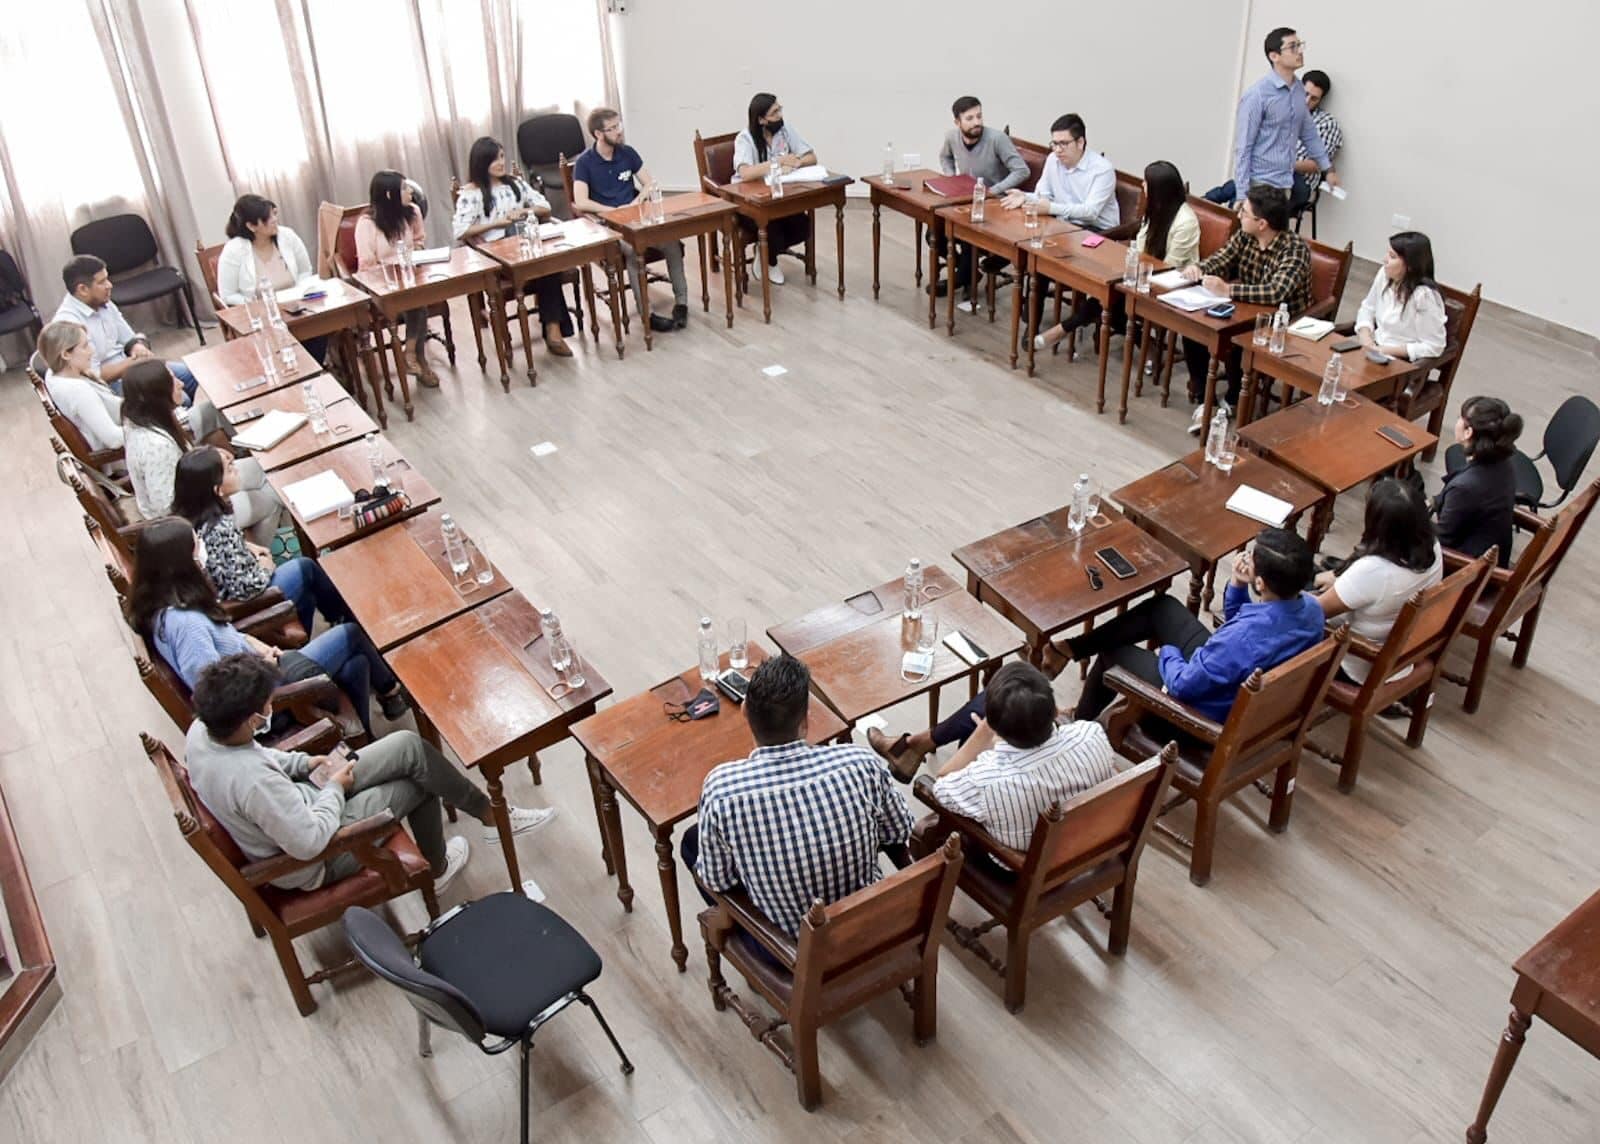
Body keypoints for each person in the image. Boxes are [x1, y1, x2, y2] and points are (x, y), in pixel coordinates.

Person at [185, 653, 554, 892]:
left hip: (301, 800)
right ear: (251, 720)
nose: (271, 707)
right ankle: (437, 869)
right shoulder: (253, 782)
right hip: (316, 853)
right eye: (267, 705)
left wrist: (304, 763)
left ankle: (491, 816)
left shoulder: (203, 729)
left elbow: (259, 754)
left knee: (408, 746)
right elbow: (308, 842)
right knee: (418, 784)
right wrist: (334, 788)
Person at [682, 653, 914, 938]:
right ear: (805, 720)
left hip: (793, 949)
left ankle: (739, 929)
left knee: (692, 842)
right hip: (867, 927)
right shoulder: (861, 763)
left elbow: (718, 881)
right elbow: (898, 831)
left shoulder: (721, 791)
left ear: (744, 712)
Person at [129, 518, 406, 737]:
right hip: (267, 696)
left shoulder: (163, 606)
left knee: (355, 665)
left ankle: (366, 734)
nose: (202, 547)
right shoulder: (187, 625)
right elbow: (216, 693)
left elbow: (224, 641)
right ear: (180, 563)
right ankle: (390, 691)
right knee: (351, 634)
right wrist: (263, 669)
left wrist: (257, 647)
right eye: (196, 544)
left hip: (260, 668)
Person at [1056, 528, 1323, 722]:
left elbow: (1181, 684)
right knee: (1162, 607)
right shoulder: (1312, 610)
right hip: (1227, 681)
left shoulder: (1241, 639)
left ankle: (1078, 723)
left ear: (1261, 583)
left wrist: (1168, 651)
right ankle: (1071, 649)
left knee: (1112, 655)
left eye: (1251, 558)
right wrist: (1238, 585)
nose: (1246, 557)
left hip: (1197, 710)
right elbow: (1244, 626)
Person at [867, 662, 1116, 850]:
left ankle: (912, 746)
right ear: (1054, 710)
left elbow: (942, 787)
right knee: (999, 704)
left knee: (977, 721)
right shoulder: (1091, 734)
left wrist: (985, 731)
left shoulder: (989, 780)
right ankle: (915, 745)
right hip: (1090, 841)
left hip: (1016, 867)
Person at [171, 446, 349, 632]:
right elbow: (245, 588)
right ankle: (344, 617)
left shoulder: (189, 517)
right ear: (217, 490)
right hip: (241, 604)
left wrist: (245, 545)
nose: (236, 470)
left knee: (308, 596)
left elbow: (219, 555)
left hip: (218, 592)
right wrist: (266, 568)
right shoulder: (218, 529)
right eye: (230, 470)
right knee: (305, 568)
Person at [1180, 184, 1311, 432]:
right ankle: (1205, 398)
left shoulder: (1294, 250)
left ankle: (1232, 398)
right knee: (1193, 328)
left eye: (1244, 212)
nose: (1238, 214)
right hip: (1244, 309)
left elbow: (1276, 292)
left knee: (1237, 343)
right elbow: (1223, 258)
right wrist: (1200, 268)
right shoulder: (1245, 235)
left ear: (1262, 224)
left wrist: (1228, 290)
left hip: (1279, 323)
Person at [1033, 159, 1199, 352]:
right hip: (1143, 277)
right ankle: (1147, 346)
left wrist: (1135, 273)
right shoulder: (1157, 209)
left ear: (1159, 189)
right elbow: (1142, 246)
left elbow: (1170, 266)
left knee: (1108, 303)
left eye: (1146, 182)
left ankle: (1062, 330)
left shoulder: (1186, 222)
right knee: (1107, 300)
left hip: (1171, 285)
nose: (1142, 185)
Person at [451, 136, 574, 357]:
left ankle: (553, 330)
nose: (501, 163)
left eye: (501, 157)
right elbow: (461, 231)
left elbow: (544, 207)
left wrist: (524, 211)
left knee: (546, 264)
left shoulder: (514, 184)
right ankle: (553, 330)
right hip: (494, 254)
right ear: (481, 163)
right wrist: (497, 224)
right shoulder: (471, 193)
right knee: (543, 267)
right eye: (494, 160)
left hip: (523, 245)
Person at [1313, 479, 1443, 684]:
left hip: (1353, 660)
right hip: (1395, 646)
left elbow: (1314, 612)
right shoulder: (1432, 546)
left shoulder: (1374, 571)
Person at [571, 108, 689, 334]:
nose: (619, 131)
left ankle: (681, 303)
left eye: (619, 125)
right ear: (598, 134)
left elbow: (650, 183)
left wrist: (636, 202)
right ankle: (647, 314)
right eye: (612, 128)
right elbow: (581, 201)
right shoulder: (585, 163)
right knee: (635, 251)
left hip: (637, 216)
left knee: (672, 242)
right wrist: (613, 211)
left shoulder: (627, 153)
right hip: (610, 225)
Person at [1205, 28, 1339, 208]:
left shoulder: (1299, 91)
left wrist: (1328, 169)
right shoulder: (1258, 95)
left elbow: (1309, 133)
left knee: (1277, 227)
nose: (1299, 51)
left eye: (1300, 45)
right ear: (1274, 56)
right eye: (1293, 47)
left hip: (1285, 183)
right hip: (1258, 183)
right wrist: (1242, 194)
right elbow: (1243, 147)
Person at [52, 254, 199, 401]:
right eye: (102, 282)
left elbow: (129, 338)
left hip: (132, 366)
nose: (109, 285)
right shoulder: (69, 326)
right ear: (83, 289)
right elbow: (93, 376)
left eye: (107, 279)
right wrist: (133, 363)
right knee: (180, 398)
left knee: (193, 375)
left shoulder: (102, 301)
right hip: (109, 386)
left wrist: (137, 347)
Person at [931, 95, 1029, 299]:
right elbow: (945, 157)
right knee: (934, 233)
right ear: (957, 122)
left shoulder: (997, 139)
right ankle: (969, 273)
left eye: (979, 116)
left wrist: (993, 190)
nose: (976, 122)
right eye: (969, 118)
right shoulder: (951, 137)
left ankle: (959, 279)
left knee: (969, 236)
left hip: (994, 203)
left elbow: (1022, 171)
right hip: (966, 199)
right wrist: (952, 178)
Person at [215, 194, 327, 363]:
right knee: (276, 343)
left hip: (296, 308)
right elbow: (228, 295)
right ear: (252, 226)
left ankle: (315, 367)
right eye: (268, 218)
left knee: (319, 327)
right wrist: (259, 305)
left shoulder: (287, 236)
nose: (275, 220)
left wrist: (299, 293)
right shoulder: (234, 250)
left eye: (274, 214)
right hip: (263, 316)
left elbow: (305, 271)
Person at [356, 170, 437, 385]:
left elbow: (419, 240)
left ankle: (411, 355)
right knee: (416, 302)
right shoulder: (367, 223)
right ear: (389, 194)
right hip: (381, 285)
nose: (410, 191)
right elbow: (366, 265)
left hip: (409, 278)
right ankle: (417, 359)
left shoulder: (413, 212)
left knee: (417, 299)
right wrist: (392, 271)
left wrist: (417, 251)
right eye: (404, 188)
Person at [731, 93, 816, 286]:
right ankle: (770, 261)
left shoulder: (784, 130)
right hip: (749, 202)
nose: (780, 115)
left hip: (778, 197)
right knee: (773, 228)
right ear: (761, 120)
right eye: (774, 112)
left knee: (803, 226)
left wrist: (796, 162)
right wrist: (778, 162)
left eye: (780, 109)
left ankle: (765, 253)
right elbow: (745, 173)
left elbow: (811, 157)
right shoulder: (745, 139)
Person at [1436, 396, 1523, 567]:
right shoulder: (1503, 462)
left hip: (1466, 567)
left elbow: (1441, 541)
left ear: (1468, 432)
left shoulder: (1464, 488)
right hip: (1491, 554)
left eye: (1460, 417)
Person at [1000, 114, 1119, 233]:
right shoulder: (1053, 159)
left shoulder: (1102, 169)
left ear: (1080, 142)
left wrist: (1051, 208)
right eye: (1055, 144)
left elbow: (1090, 212)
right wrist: (1025, 197)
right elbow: (1044, 196)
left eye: (1063, 144)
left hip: (1099, 231)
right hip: (1065, 223)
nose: (1058, 150)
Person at [1355, 231, 1447, 363]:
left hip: (1401, 360)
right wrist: (1366, 338)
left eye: (1392, 257)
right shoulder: (1384, 275)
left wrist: (1384, 350)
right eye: (1387, 254)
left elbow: (1434, 346)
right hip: (1374, 349)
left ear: (1410, 265)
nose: (1385, 260)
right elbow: (1368, 308)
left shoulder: (1424, 296)